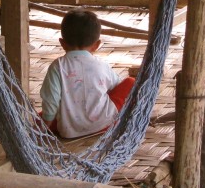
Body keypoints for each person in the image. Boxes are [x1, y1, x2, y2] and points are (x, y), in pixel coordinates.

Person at [40, 9, 136, 140]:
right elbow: (116, 88)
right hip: (105, 124)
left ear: (62, 43)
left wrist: (42, 128)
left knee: (40, 116)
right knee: (131, 82)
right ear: (97, 45)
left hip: (69, 130)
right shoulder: (102, 65)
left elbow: (51, 102)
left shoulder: (57, 67)